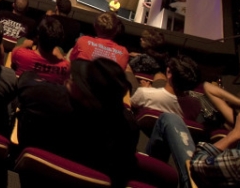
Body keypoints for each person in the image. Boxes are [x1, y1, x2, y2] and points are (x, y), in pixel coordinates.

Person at [17, 58, 138, 187]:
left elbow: (25, 79)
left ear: (86, 96)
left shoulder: (45, 96)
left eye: (79, 80)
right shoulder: (127, 127)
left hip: (34, 180)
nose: (72, 77)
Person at [147, 106, 240, 188]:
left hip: (198, 177)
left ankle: (151, 178)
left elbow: (197, 163)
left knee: (169, 119)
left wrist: (235, 133)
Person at [130, 55, 200, 118]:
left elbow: (130, 106)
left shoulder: (144, 93)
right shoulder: (195, 105)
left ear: (169, 73)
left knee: (128, 70)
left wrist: (146, 90)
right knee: (159, 75)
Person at [11, 17, 70, 84]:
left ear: (38, 36)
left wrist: (24, 45)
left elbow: (14, 53)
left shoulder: (21, 54)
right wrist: (60, 56)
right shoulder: (65, 67)